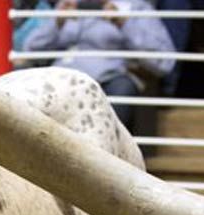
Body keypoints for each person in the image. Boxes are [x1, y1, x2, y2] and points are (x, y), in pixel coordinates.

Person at [19, 0, 176, 131]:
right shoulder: (70, 3)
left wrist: (123, 22)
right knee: (23, 82)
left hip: (108, 79)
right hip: (61, 78)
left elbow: (164, 62)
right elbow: (30, 49)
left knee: (122, 88)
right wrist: (57, 22)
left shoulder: (136, 7)